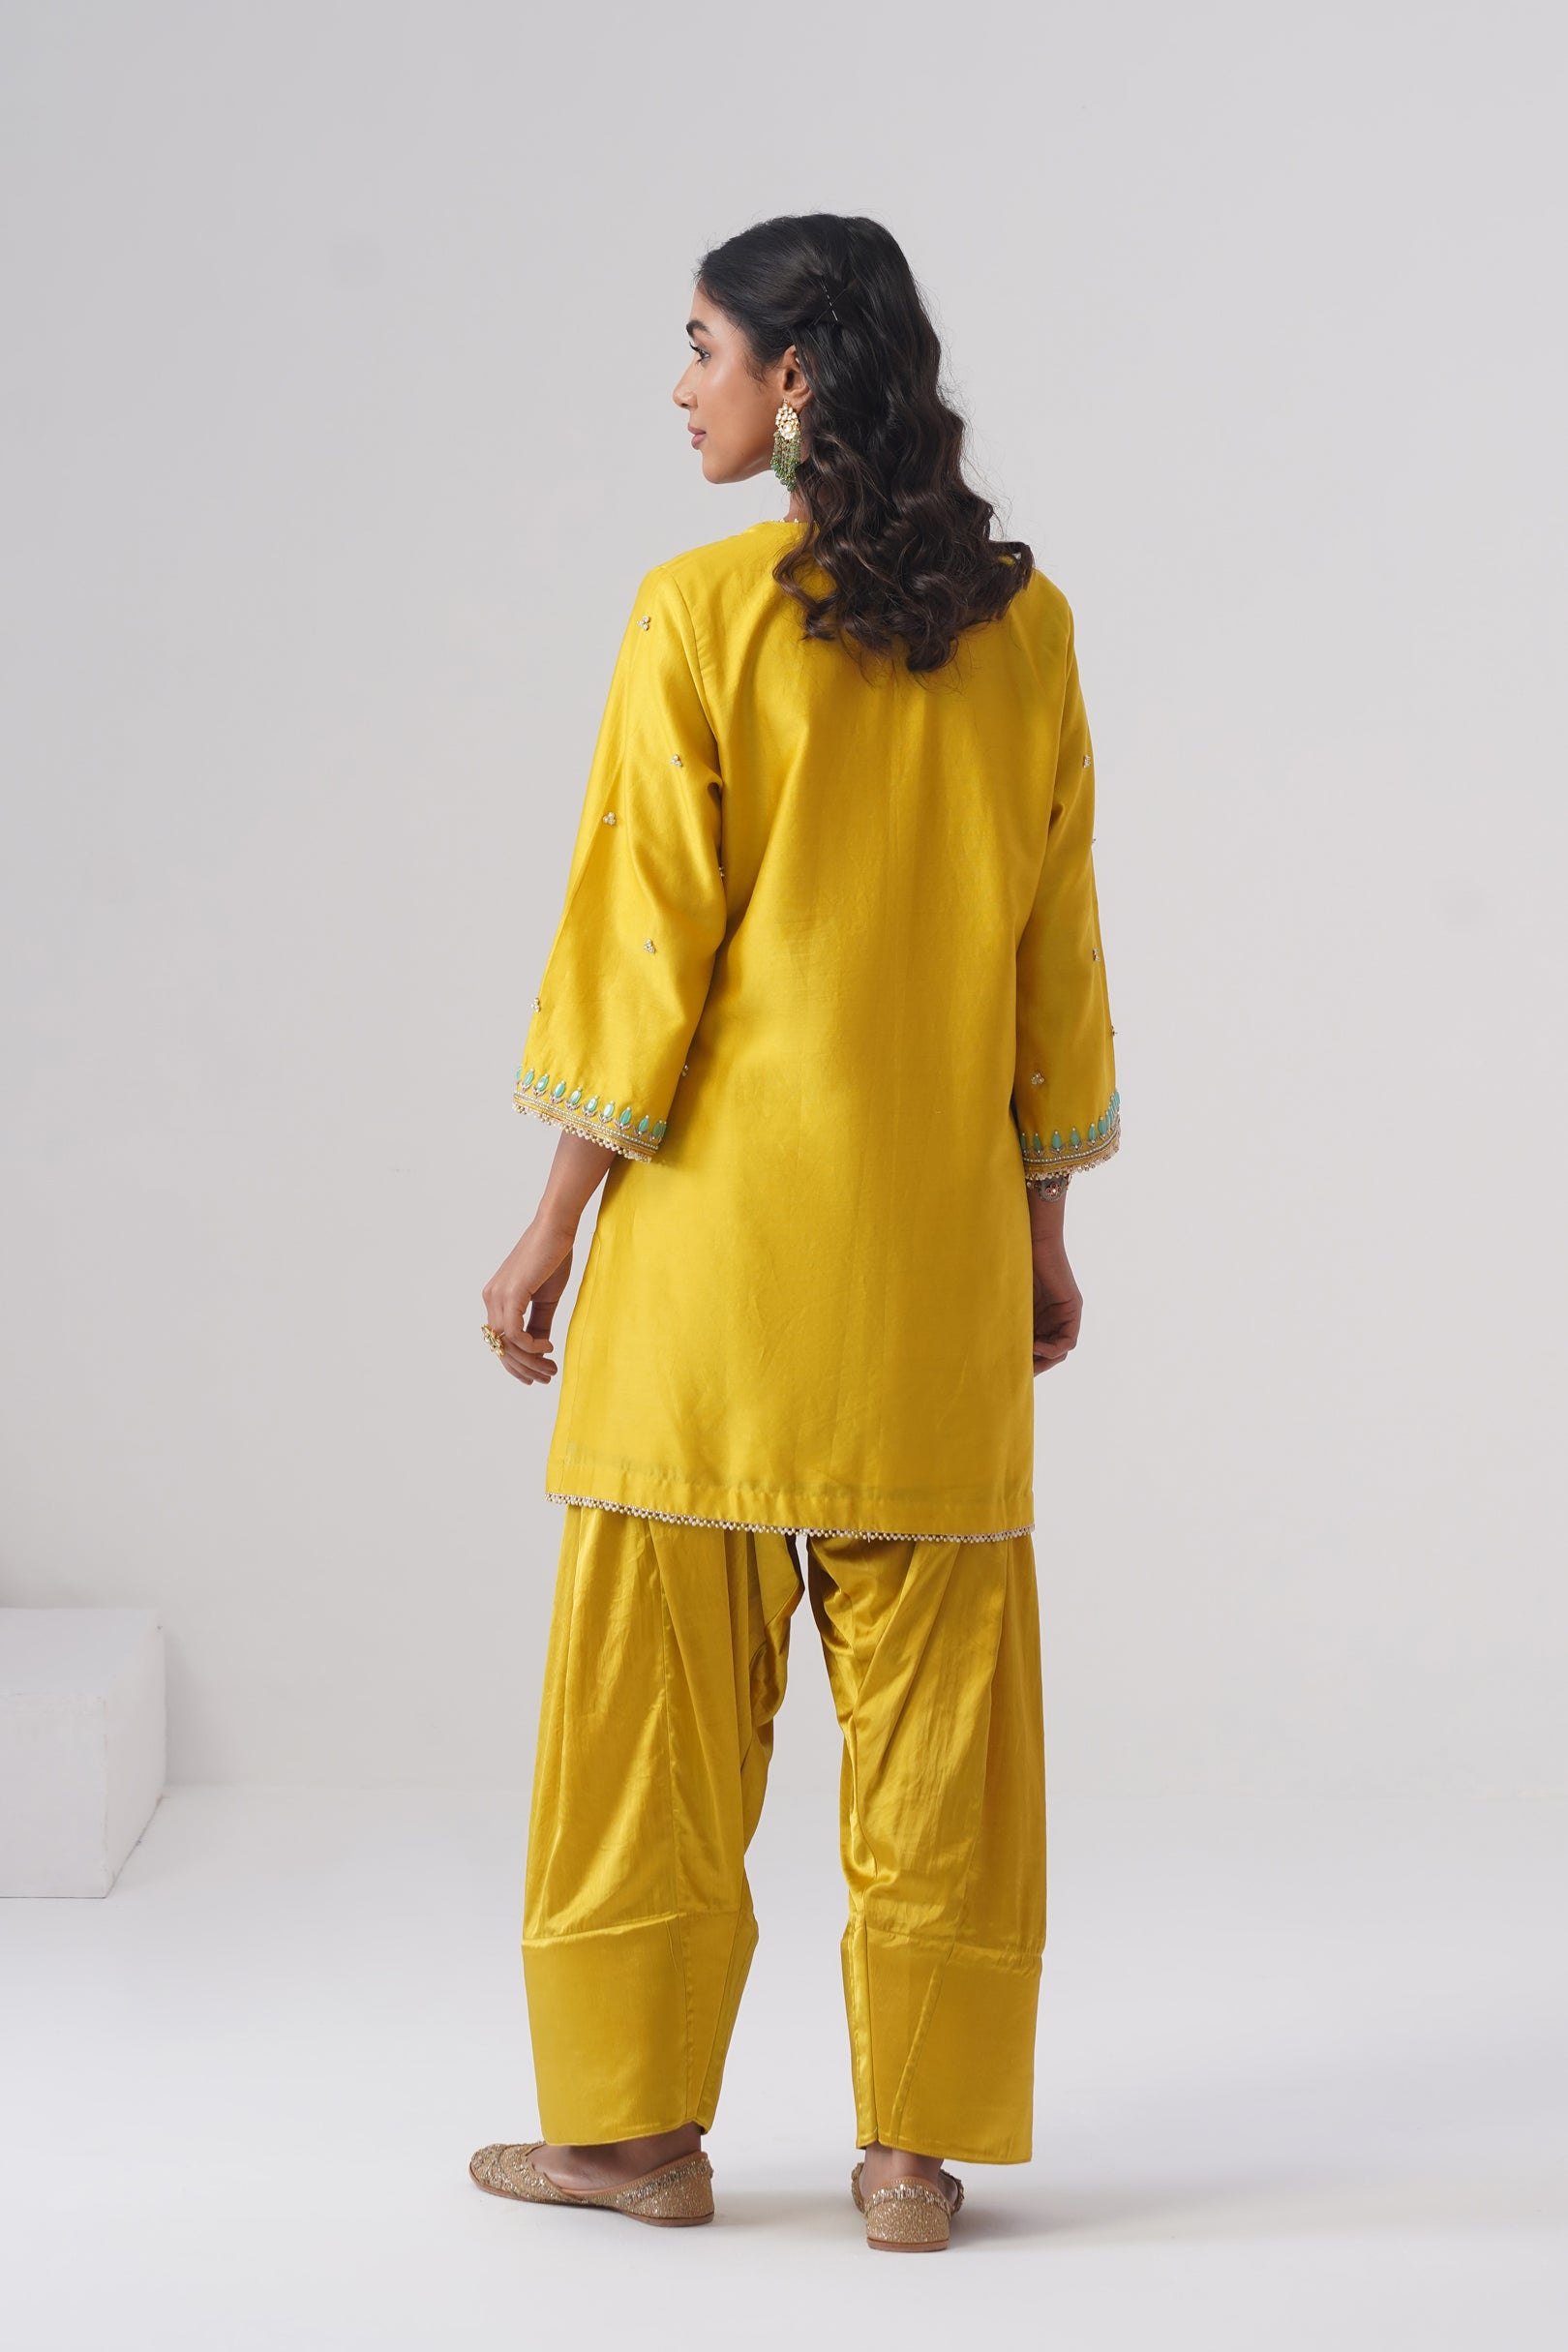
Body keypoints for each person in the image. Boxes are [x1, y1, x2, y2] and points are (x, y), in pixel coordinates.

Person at [468, 212, 1120, 2252]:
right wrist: (1042, 1231)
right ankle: (912, 2155)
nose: (684, 389)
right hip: (930, 1260)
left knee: (653, 1720)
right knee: (940, 1723)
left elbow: (640, 944)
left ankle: (632, 2136)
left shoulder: (694, 615)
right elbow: (1054, 958)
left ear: (799, 375)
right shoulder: (1028, 629)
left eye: (703, 349)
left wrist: (551, 1221)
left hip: (714, 1274)